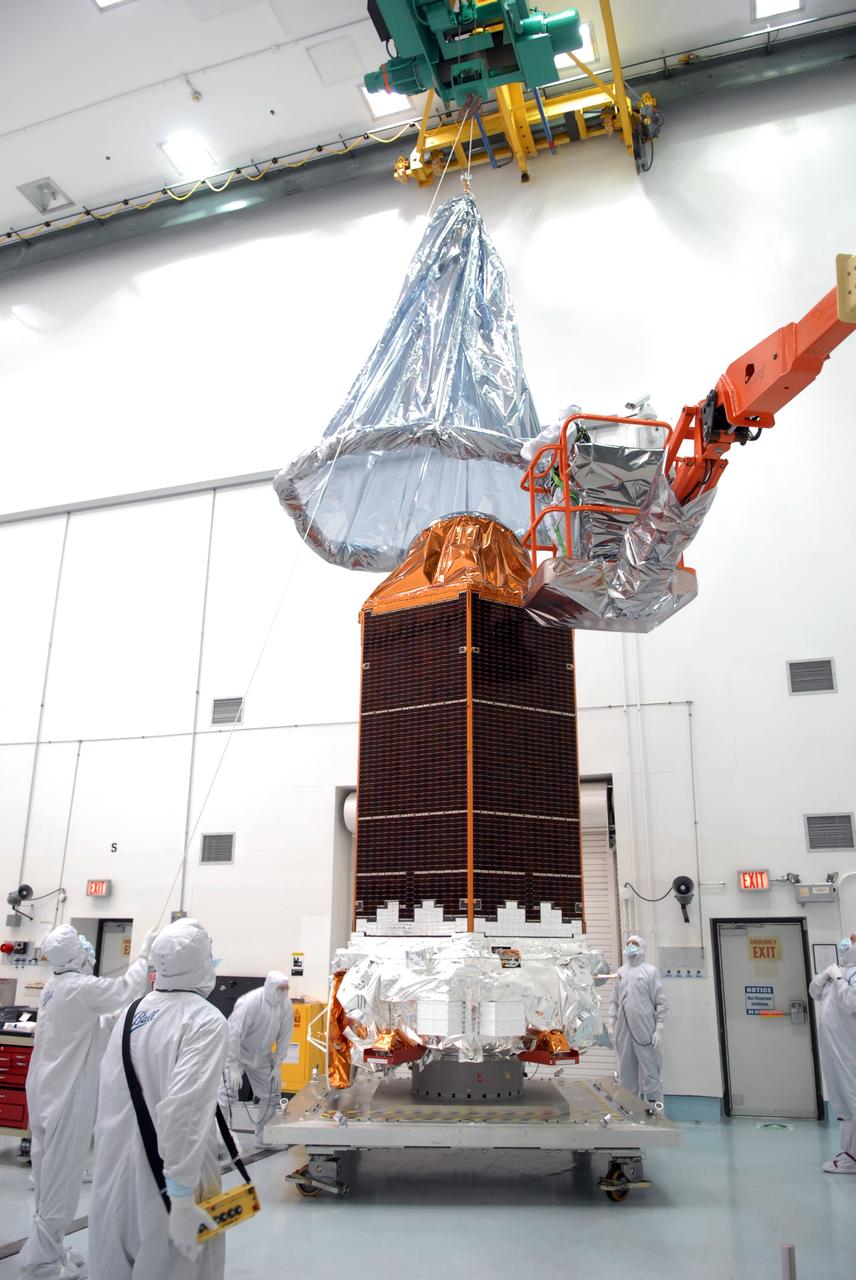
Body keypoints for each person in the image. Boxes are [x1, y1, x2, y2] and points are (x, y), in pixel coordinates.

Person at [89, 918, 228, 1280]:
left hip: (114, 1176)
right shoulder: (205, 1020)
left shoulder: (132, 1012)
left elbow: (110, 1098)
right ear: (200, 962)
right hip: (169, 1181)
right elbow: (185, 1109)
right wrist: (181, 1197)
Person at [19, 923, 156, 1280]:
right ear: (73, 953)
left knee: (48, 1176)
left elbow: (86, 1027)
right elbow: (126, 987)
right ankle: (42, 1266)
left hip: (47, 1092)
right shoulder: (78, 987)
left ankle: (50, 1245)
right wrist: (143, 954)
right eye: (81, 946)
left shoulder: (55, 987)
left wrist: (111, 1020)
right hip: (68, 1095)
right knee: (62, 1180)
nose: (87, 951)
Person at [217, 971, 293, 1148]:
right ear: (269, 986)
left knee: (272, 1094)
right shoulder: (250, 1002)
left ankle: (264, 1138)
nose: (282, 992)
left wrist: (278, 1063)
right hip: (236, 1052)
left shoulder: (285, 1004)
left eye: (285, 989)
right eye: (279, 988)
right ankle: (219, 1141)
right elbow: (233, 1034)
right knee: (226, 1095)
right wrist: (234, 1066)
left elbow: (285, 1034)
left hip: (262, 1055)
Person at [809, 931, 856, 1174]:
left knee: (852, 1095)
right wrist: (825, 975)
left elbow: (852, 1002)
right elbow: (814, 992)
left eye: (854, 938)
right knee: (841, 1100)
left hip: (849, 1049)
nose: (848, 940)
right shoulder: (838, 970)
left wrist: (838, 979)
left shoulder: (850, 975)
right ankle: (850, 1154)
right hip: (832, 1048)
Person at [609, 933, 668, 1111]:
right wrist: (612, 1023)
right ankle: (629, 1109)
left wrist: (659, 1028)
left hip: (645, 1028)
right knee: (626, 1071)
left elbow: (661, 1001)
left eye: (634, 944)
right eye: (628, 944)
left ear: (641, 947)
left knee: (650, 1069)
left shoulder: (650, 971)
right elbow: (614, 1000)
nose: (630, 947)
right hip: (623, 1029)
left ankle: (655, 1110)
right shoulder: (620, 972)